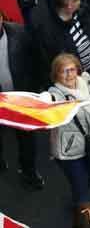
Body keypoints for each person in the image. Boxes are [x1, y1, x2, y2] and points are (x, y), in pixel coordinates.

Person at [46, 53, 90, 208]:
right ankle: (83, 213)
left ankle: (78, 194)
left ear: (77, 70)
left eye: (72, 70)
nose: (69, 75)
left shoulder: (85, 81)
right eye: (63, 71)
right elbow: (47, 100)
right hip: (68, 151)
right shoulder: (55, 94)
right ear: (56, 75)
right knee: (82, 190)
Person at [0, 14, 44, 189]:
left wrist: (37, 90)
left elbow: (36, 60)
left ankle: (29, 172)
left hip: (20, 100)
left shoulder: (20, 33)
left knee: (26, 138)